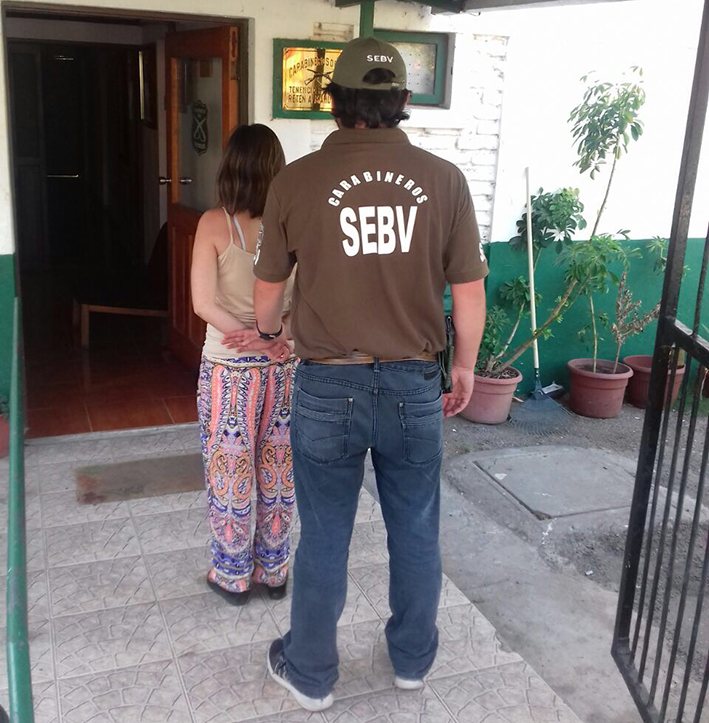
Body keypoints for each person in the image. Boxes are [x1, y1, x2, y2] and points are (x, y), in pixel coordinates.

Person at [231, 37, 487, 710]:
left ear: (334, 102)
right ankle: (411, 661)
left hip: (327, 386)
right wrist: (463, 366)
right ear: (402, 100)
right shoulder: (445, 180)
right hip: (413, 385)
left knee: (324, 534)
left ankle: (311, 672)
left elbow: (267, 293)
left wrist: (272, 333)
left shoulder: (295, 182)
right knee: (415, 527)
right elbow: (468, 290)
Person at [190, 123, 295, 607]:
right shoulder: (294, 222)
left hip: (229, 368)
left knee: (229, 471)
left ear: (230, 167)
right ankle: (274, 571)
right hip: (284, 363)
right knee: (279, 467)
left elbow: (202, 303)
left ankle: (232, 576)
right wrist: (275, 336)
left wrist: (249, 337)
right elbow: (309, 299)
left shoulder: (214, 223)